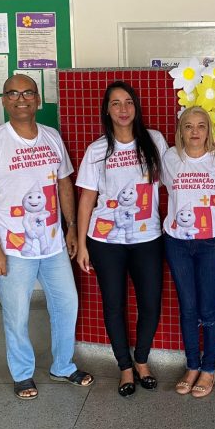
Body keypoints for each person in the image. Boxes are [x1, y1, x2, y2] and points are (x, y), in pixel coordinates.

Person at [0, 74, 93, 401]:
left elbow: (63, 184)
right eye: (13, 93)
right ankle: (22, 373)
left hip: (52, 245)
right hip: (13, 249)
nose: (20, 99)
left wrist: (70, 227)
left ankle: (62, 366)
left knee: (66, 305)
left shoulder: (51, 137)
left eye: (27, 93)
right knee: (17, 314)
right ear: (4, 100)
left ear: (38, 99)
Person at [75, 81, 167, 397]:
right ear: (107, 110)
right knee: (113, 304)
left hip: (148, 238)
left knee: (150, 303)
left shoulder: (154, 141)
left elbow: (175, 178)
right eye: (115, 103)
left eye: (128, 102)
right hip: (105, 241)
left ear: (136, 107)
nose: (123, 109)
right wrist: (82, 244)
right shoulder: (97, 150)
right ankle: (124, 367)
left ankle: (141, 360)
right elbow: (87, 199)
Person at [162, 106, 215, 398]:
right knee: (187, 306)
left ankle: (209, 368)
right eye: (188, 126)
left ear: (209, 130)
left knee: (208, 308)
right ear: (180, 130)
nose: (195, 131)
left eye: (201, 125)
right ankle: (192, 365)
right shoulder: (170, 157)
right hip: (177, 241)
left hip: (212, 241)